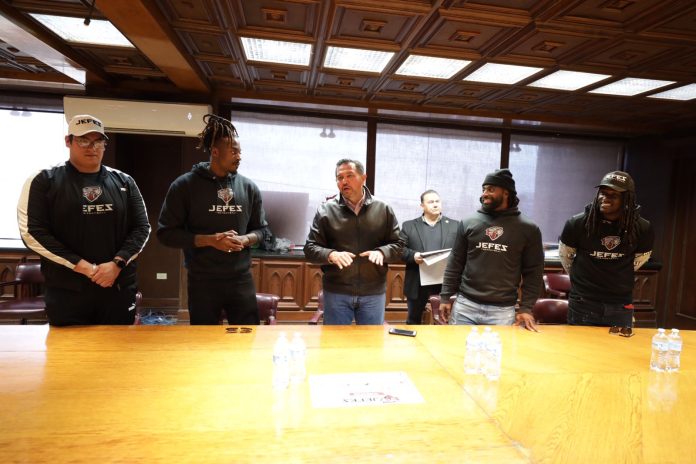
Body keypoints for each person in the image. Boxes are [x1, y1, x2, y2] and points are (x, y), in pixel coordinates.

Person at [17, 114, 150, 326]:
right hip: (66, 289)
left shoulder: (124, 181)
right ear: (68, 141)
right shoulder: (43, 180)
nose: (92, 147)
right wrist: (85, 267)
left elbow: (142, 228)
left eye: (98, 141)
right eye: (83, 140)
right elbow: (32, 232)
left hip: (116, 286)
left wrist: (117, 263)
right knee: (69, 347)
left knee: (118, 346)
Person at [157, 114, 270, 325]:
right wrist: (210, 240)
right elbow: (166, 234)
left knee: (246, 335)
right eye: (234, 151)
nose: (239, 156)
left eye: (240, 151)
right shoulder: (184, 186)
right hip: (202, 279)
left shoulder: (248, 187)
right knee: (204, 338)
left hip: (241, 278)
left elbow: (263, 231)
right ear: (215, 152)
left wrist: (245, 239)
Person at [439, 169, 543, 331]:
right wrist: (445, 296)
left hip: (502, 311)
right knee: (458, 347)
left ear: (506, 192)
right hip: (465, 306)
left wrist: (526, 308)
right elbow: (455, 262)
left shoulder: (528, 229)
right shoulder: (468, 222)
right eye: (484, 189)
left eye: (491, 189)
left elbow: (533, 272)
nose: (484, 194)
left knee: (499, 349)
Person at [304, 159, 403, 325]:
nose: (344, 181)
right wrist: (331, 255)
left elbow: (399, 245)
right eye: (339, 177)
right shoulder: (326, 210)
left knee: (371, 340)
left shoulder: (383, 208)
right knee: (335, 339)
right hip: (337, 291)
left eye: (350, 175)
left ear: (363, 178)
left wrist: (382, 252)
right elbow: (310, 248)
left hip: (373, 292)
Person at [559, 171, 654, 327]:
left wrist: (616, 273)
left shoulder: (643, 227)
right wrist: (581, 278)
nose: (604, 198)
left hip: (620, 304)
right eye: (602, 193)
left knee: (618, 344)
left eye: (613, 195)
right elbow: (565, 256)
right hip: (583, 303)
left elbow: (640, 259)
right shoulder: (577, 223)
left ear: (627, 199)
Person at [400, 190, 459, 324]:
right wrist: (413, 256)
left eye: (437, 201)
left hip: (445, 283)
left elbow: (461, 251)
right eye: (431, 202)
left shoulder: (455, 225)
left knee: (445, 322)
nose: (435, 204)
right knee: (413, 321)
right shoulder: (409, 226)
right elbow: (399, 249)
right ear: (422, 205)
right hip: (417, 282)